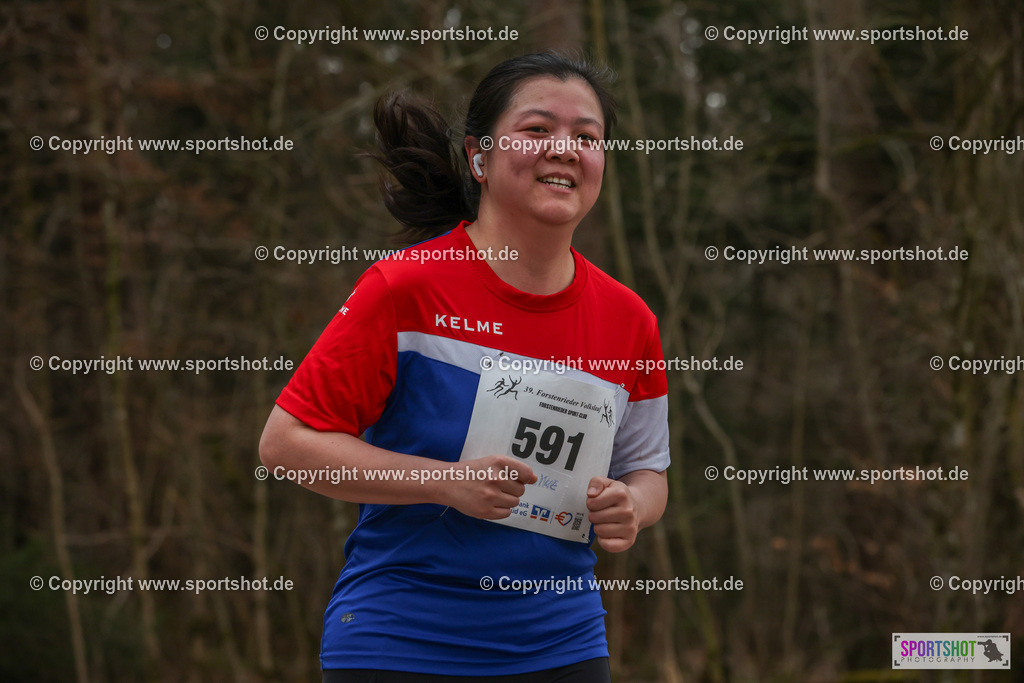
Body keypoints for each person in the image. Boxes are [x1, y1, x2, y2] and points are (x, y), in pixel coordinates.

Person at [259, 51, 671, 682]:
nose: (565, 149)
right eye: (537, 129)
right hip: (401, 642)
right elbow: (286, 445)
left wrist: (633, 507)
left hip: (562, 645)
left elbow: (647, 471)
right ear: (480, 157)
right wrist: (443, 484)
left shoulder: (630, 319)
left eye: (586, 137)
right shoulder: (407, 288)